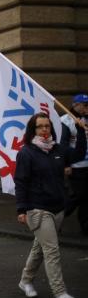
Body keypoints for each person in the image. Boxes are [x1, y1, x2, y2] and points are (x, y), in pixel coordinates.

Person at [15, 112, 86, 298]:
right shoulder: (26, 152)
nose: (44, 129)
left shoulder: (58, 149)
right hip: (37, 209)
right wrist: (21, 209)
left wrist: (80, 129)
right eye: (40, 126)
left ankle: (25, 280)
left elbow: (79, 154)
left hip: (58, 208)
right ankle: (60, 293)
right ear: (33, 129)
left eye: (47, 126)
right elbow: (20, 182)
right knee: (52, 250)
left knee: (40, 248)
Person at [60, 93, 88, 235]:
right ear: (75, 105)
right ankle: (57, 218)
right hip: (77, 165)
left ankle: (85, 225)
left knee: (86, 198)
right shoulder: (65, 120)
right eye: (84, 105)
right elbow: (63, 145)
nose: (85, 108)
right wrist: (66, 164)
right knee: (78, 195)